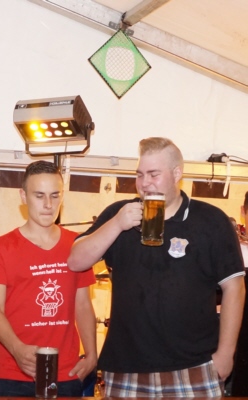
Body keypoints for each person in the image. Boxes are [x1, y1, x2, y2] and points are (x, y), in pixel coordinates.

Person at [68, 137, 246, 397]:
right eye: (139, 175)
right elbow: (75, 261)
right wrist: (117, 224)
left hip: (195, 365)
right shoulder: (120, 213)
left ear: (177, 174)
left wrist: (225, 354)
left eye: (153, 174)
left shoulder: (210, 220)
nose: (144, 183)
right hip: (126, 367)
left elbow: (234, 288)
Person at [0, 160, 97, 397]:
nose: (48, 205)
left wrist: (92, 355)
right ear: (23, 196)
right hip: (11, 374)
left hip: (66, 373)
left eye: (55, 195)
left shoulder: (77, 245)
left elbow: (83, 305)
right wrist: (18, 349)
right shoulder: (0, 248)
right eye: (39, 195)